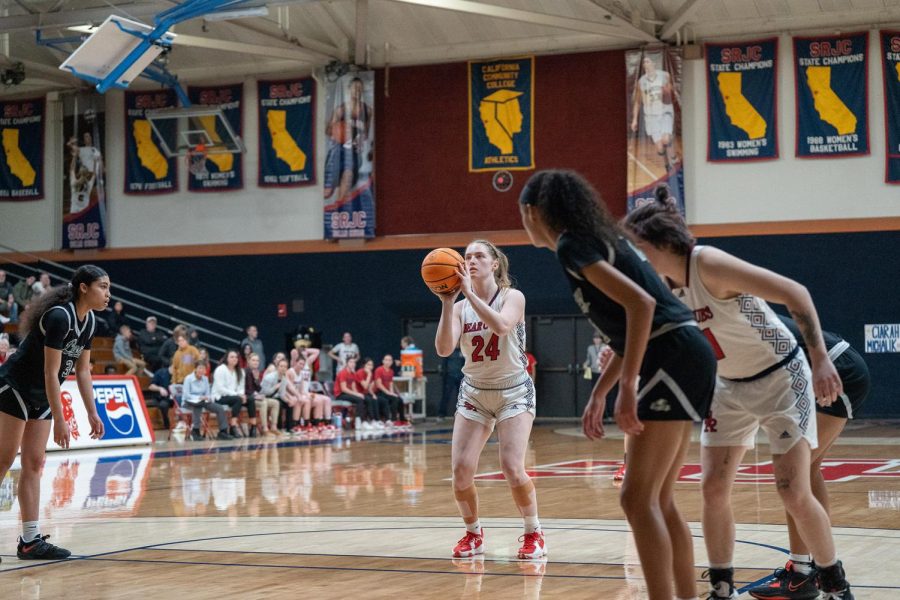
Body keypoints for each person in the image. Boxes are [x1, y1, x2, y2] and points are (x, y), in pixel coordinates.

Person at [623, 199, 853, 600]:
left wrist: (819, 358)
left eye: (638, 246)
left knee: (792, 491)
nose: (635, 256)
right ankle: (722, 586)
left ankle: (835, 585)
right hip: (726, 387)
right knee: (712, 488)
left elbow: (795, 292)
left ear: (659, 243)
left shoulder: (707, 263)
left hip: (780, 376)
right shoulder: (659, 287)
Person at [519, 170, 717, 600]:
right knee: (658, 499)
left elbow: (642, 306)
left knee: (636, 498)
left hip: (672, 352)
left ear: (532, 212)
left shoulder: (573, 245)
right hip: (683, 351)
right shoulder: (596, 239)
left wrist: (627, 386)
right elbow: (628, 331)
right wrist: (600, 390)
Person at [434, 239, 546, 561]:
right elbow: (443, 350)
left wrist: (468, 293)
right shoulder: (459, 307)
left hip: (513, 388)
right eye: (466, 256)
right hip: (475, 391)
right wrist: (447, 301)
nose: (471, 261)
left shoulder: (513, 297)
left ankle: (533, 531)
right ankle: (473, 534)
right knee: (460, 469)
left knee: (511, 466)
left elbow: (501, 326)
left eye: (479, 256)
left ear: (494, 263)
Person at [747, 315, 869, 600]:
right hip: (835, 366)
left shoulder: (729, 314)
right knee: (808, 470)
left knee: (792, 477)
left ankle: (804, 573)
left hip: (835, 368)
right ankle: (816, 567)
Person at [0, 265, 108, 560]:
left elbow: (83, 371)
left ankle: (30, 541)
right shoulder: (60, 316)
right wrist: (60, 418)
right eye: (103, 287)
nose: (108, 294)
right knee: (4, 460)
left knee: (34, 463)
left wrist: (92, 412)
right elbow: (51, 372)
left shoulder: (90, 322)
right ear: (84, 288)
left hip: (42, 395)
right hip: (16, 387)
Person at [631, 54, 678, 171]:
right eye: (644, 62)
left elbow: (671, 92)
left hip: (665, 112)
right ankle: (667, 162)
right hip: (650, 117)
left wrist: (667, 92)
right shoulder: (641, 82)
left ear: (653, 64)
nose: (646, 63)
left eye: (648, 61)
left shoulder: (664, 75)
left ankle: (673, 156)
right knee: (660, 148)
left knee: (666, 139)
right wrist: (634, 119)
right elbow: (637, 102)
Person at [182, 361, 233, 442]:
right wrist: (199, 397)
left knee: (219, 408)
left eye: (203, 369)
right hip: (188, 402)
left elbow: (208, 394)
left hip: (203, 402)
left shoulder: (205, 379)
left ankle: (223, 432)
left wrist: (207, 398)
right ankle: (195, 431)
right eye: (200, 368)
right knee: (197, 405)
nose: (201, 370)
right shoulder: (188, 379)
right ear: (195, 369)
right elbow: (187, 395)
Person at [211, 349, 257, 438]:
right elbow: (220, 389)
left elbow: (241, 388)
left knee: (250, 399)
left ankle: (253, 427)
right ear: (227, 358)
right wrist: (237, 395)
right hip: (220, 396)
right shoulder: (220, 369)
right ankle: (233, 426)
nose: (234, 359)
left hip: (234, 397)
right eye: (232, 357)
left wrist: (241, 394)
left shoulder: (240, 371)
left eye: (236, 357)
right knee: (238, 399)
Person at [245, 353, 280, 436]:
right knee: (263, 403)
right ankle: (265, 429)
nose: (256, 362)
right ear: (248, 361)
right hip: (247, 398)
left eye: (257, 360)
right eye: (253, 360)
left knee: (275, 403)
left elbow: (259, 389)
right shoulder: (245, 372)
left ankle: (274, 427)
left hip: (255, 397)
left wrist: (257, 380)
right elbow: (245, 390)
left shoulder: (256, 372)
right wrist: (256, 395)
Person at [374, 354, 405, 425]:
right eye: (386, 360)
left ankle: (402, 419)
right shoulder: (379, 370)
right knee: (395, 399)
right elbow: (379, 384)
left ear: (391, 362)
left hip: (387, 392)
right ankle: (393, 420)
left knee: (400, 399)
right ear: (383, 361)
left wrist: (392, 393)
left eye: (389, 360)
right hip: (380, 392)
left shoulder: (391, 371)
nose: (388, 362)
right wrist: (388, 393)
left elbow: (391, 384)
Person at [439, 347, 465, 420]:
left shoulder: (463, 351)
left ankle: (460, 414)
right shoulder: (449, 351)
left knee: (460, 397)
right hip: (450, 377)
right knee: (446, 396)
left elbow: (465, 363)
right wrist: (445, 374)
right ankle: (441, 414)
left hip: (460, 376)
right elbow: (444, 364)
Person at [146, 365, 174, 430]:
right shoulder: (161, 372)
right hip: (164, 398)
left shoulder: (181, 373)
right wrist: (160, 388)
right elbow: (151, 386)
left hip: (177, 398)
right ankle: (166, 424)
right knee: (163, 405)